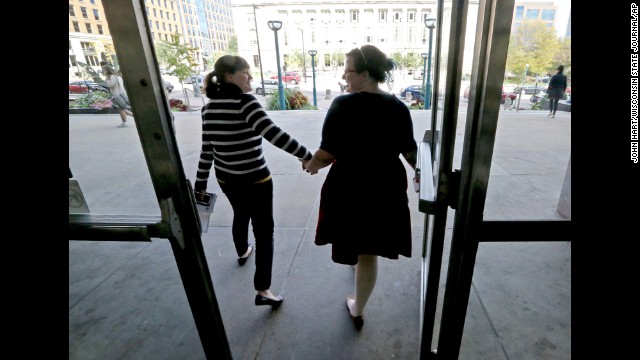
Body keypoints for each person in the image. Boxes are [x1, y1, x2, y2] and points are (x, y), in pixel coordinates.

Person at [303, 45, 418, 330]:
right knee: (370, 249)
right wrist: (421, 174)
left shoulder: (344, 104)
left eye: (348, 70)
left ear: (365, 74)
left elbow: (328, 152)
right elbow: (410, 152)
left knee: (359, 244)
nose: (344, 76)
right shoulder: (398, 106)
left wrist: (311, 165)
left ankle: (357, 305)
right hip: (386, 185)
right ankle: (359, 306)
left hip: (350, 185)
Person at [194, 55, 312, 308]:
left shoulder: (208, 108)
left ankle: (241, 250)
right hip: (255, 179)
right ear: (229, 76)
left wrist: (200, 184)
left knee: (240, 213)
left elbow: (207, 150)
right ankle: (263, 289)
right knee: (264, 232)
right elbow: (273, 134)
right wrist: (307, 156)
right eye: (245, 72)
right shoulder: (245, 102)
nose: (250, 77)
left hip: (226, 177)